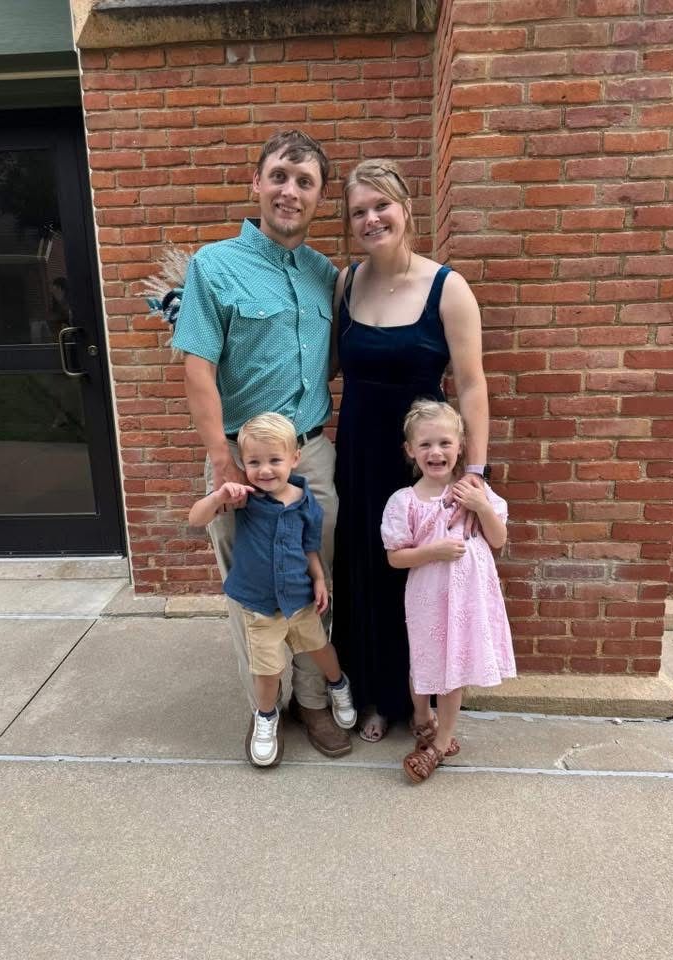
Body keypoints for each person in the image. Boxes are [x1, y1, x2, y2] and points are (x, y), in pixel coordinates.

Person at [172, 131, 351, 759]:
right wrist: (224, 465)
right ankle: (265, 710)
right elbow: (197, 367)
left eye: (305, 183)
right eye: (279, 176)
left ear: (319, 198)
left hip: (310, 459)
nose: (290, 192)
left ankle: (312, 703)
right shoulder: (213, 266)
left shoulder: (325, 275)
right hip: (239, 465)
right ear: (256, 184)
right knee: (250, 592)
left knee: (313, 584)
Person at [331, 159, 490, 742]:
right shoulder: (346, 283)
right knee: (369, 568)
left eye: (381, 206)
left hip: (424, 460)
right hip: (359, 453)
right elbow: (323, 366)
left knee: (425, 583)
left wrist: (473, 475)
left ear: (405, 209)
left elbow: (471, 384)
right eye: (358, 212)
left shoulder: (449, 288)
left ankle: (420, 699)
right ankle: (376, 696)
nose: (371, 219)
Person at [189, 413, 356, 767]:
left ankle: (338, 685)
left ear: (295, 458)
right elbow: (197, 518)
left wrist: (320, 579)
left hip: (300, 599)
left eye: (274, 460)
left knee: (321, 649)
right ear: (242, 463)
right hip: (260, 604)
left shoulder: (305, 500)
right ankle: (266, 717)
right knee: (266, 669)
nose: (265, 470)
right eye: (254, 462)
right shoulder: (245, 499)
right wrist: (219, 494)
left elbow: (311, 545)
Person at [380, 400, 515, 782]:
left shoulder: (475, 492)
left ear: (460, 446)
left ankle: (441, 743)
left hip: (467, 597)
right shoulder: (403, 501)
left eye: (444, 443)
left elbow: (498, 539)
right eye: (424, 445)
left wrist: (481, 506)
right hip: (426, 596)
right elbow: (395, 558)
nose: (435, 452)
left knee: (454, 669)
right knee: (422, 661)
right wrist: (433, 552)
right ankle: (422, 718)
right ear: (410, 451)